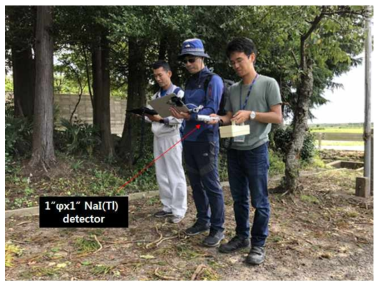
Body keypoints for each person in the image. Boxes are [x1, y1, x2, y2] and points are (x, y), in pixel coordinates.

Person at [209, 37, 282, 265]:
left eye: (240, 60)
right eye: (232, 62)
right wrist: (217, 119)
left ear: (252, 57)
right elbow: (230, 117)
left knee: (259, 200)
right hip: (235, 148)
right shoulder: (233, 89)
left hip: (257, 149)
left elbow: (277, 117)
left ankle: (258, 244)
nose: (236, 66)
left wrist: (251, 114)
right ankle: (242, 237)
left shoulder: (268, 84)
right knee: (239, 198)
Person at [170, 38, 225, 247]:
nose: (187, 63)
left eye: (191, 59)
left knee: (212, 185)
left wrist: (190, 114)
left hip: (206, 139)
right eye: (185, 60)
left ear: (202, 58)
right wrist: (179, 112)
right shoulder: (189, 82)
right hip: (188, 139)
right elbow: (188, 108)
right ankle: (203, 220)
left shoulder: (214, 80)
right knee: (195, 184)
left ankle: (218, 228)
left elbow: (212, 109)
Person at [145, 60, 187, 224]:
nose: (158, 78)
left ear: (169, 73)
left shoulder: (178, 93)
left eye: (160, 75)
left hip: (172, 137)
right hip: (158, 137)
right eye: (155, 76)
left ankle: (179, 209)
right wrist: (146, 116)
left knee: (175, 173)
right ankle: (167, 206)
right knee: (161, 172)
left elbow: (178, 119)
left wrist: (160, 119)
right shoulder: (156, 96)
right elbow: (153, 118)